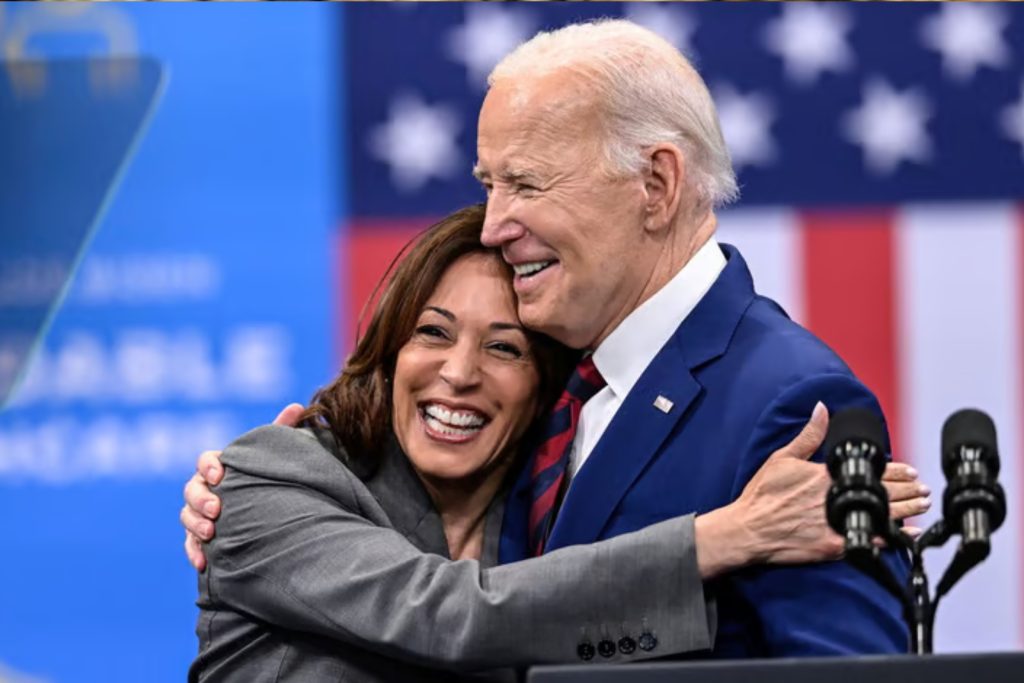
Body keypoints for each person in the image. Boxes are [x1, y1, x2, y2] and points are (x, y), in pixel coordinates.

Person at [184, 19, 929, 663]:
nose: (493, 223)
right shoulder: (558, 391)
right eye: (488, 184)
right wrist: (275, 477)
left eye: (527, 185)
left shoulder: (789, 400)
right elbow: (459, 602)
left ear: (656, 185)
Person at [189, 205, 887, 683]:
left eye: (504, 348)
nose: (460, 374)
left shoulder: (535, 514)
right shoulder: (264, 479)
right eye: (432, 332)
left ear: (544, 389)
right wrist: (726, 537)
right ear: (387, 350)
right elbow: (451, 613)